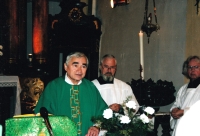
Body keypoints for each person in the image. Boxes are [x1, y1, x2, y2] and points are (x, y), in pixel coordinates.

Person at [34, 52, 108, 136]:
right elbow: (41, 115)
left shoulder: (90, 87)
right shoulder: (54, 87)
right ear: (65, 66)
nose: (79, 70)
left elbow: (103, 111)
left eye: (83, 66)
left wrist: (96, 127)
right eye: (75, 65)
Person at [170, 55, 200, 136]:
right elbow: (177, 104)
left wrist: (184, 112)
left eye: (196, 67)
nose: (192, 70)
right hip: (180, 127)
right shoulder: (183, 89)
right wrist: (174, 110)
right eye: (190, 67)